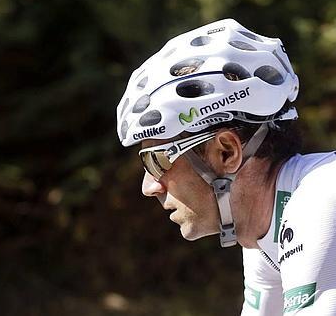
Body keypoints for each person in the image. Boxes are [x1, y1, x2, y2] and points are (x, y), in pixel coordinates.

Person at [116, 18, 336, 315]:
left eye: (157, 160)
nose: (149, 186)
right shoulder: (266, 231)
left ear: (226, 152)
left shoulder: (321, 198)